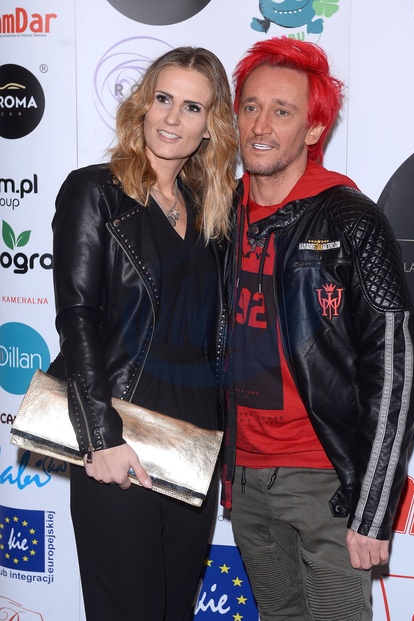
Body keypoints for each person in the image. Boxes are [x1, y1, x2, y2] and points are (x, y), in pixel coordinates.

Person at [221, 37, 414, 621]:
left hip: (325, 481)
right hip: (245, 478)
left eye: (282, 111)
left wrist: (374, 508)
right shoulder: (219, 214)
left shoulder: (350, 217)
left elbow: (395, 372)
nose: (261, 125)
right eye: (251, 106)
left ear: (312, 129)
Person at [47, 47, 237, 621]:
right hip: (121, 426)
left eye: (192, 107)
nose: (172, 118)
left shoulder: (212, 210)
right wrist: (100, 436)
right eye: (163, 99)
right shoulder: (95, 192)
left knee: (174, 608)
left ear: (211, 126)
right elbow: (77, 317)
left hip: (194, 437)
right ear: (142, 105)